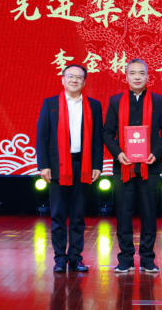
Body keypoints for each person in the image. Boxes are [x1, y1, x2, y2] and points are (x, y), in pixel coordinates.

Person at [101, 58, 162, 274]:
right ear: (126, 76)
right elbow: (107, 132)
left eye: (141, 73)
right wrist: (118, 153)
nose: (137, 77)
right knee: (123, 213)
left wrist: (155, 153)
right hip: (123, 166)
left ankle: (147, 258)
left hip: (150, 166)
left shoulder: (159, 101)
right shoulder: (115, 101)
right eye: (132, 73)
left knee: (149, 213)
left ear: (148, 76)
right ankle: (125, 258)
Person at [36, 64, 103, 273]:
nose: (74, 80)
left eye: (79, 77)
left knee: (78, 215)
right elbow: (42, 136)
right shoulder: (50, 104)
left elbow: (98, 138)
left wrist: (97, 165)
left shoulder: (94, 106)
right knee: (58, 215)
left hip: (83, 165)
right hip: (57, 166)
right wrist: (43, 165)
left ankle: (75, 257)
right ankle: (59, 258)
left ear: (84, 81)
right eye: (70, 76)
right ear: (63, 79)